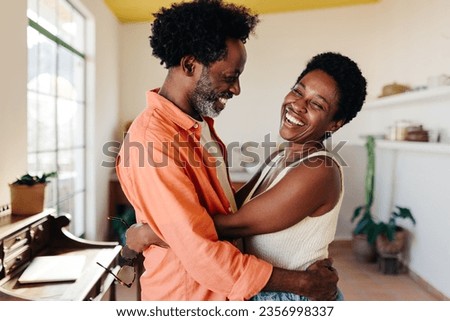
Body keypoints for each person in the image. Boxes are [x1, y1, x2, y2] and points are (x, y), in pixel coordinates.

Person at [116, 0, 338, 301]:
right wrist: (302, 283)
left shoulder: (197, 124)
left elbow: (211, 212)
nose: (236, 89)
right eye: (230, 76)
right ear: (190, 64)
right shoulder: (153, 141)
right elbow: (197, 249)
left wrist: (148, 233)